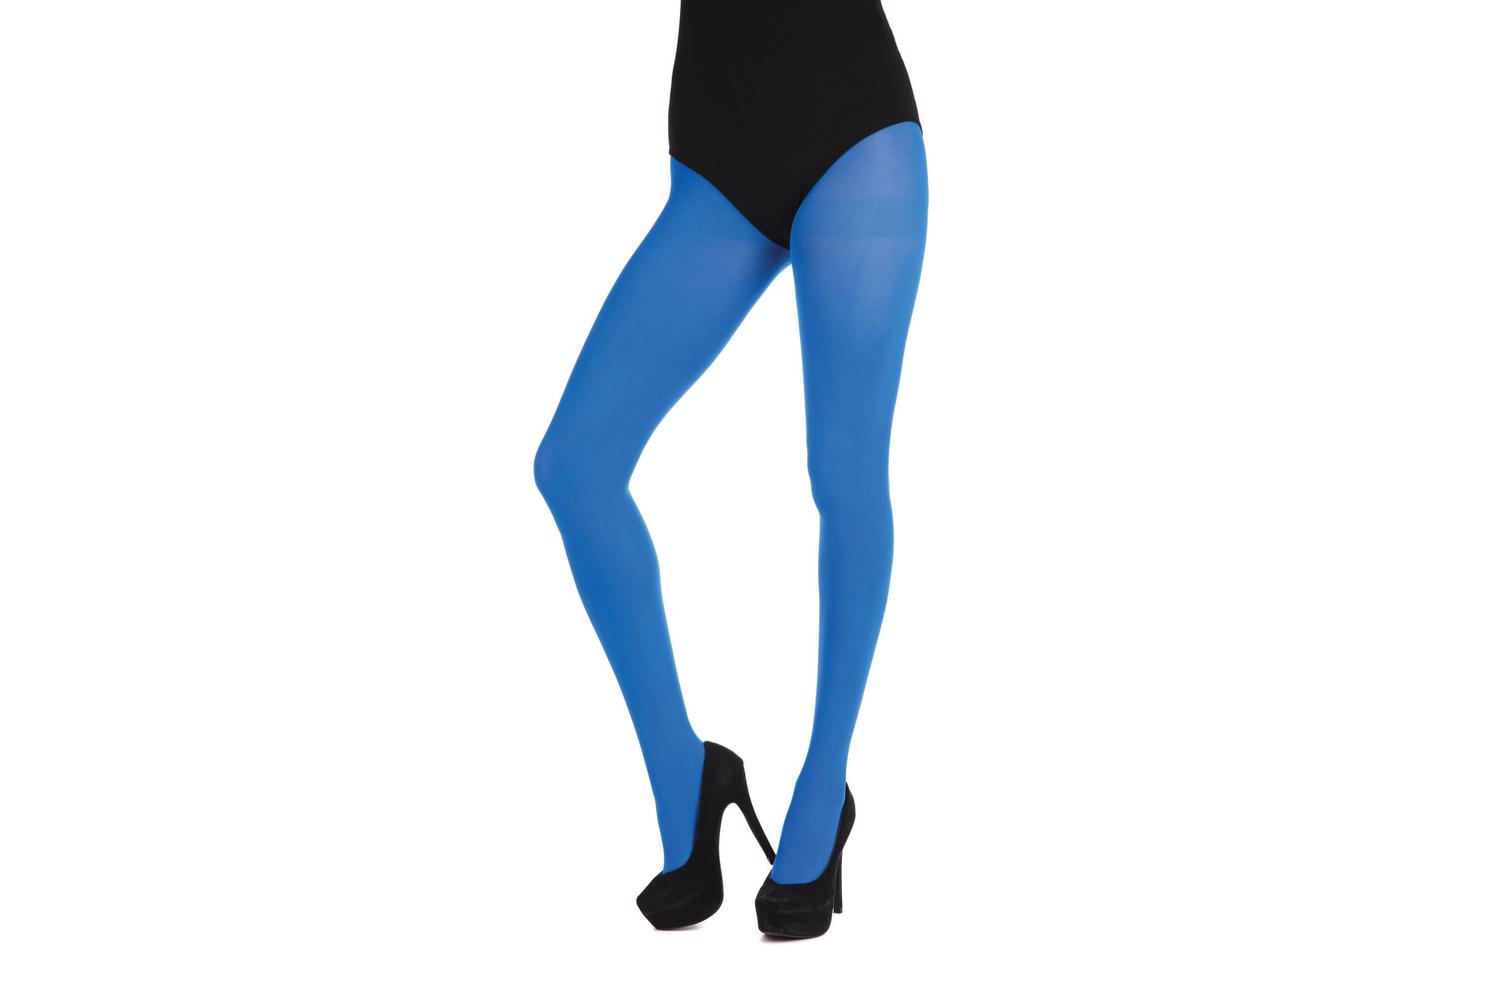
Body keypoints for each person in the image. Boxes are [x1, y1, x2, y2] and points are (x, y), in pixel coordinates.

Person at [534, 0, 928, 939]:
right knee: (575, 467)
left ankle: (822, 791)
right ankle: (687, 776)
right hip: (717, 167)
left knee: (844, 474)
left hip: (857, 139)